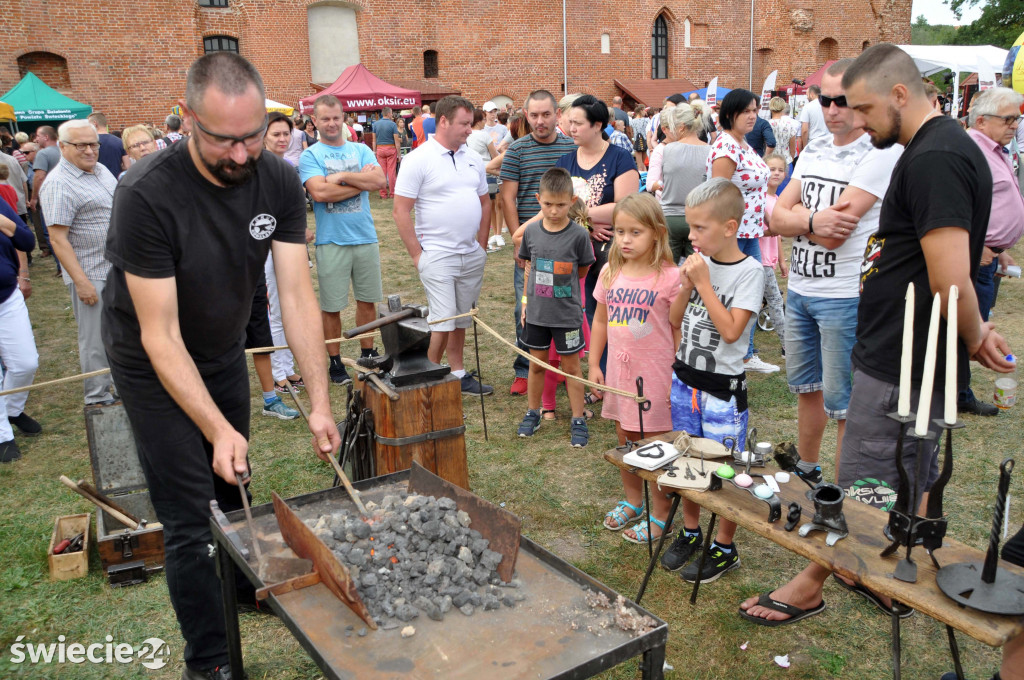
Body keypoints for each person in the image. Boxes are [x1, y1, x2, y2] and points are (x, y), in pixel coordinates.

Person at [740, 42, 1014, 627]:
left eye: (863, 109)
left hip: (903, 357)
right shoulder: (931, 149)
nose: (857, 122)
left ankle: (815, 581)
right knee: (899, 471)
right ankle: (882, 574)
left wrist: (973, 333)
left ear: (899, 93)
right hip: (904, 349)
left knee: (866, 475)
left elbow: (947, 275)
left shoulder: (935, 155)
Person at [102, 52, 340, 680]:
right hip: (153, 360)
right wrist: (212, 426)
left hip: (222, 347)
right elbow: (160, 335)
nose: (241, 155)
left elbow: (295, 294)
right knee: (189, 517)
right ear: (186, 122)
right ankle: (208, 662)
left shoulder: (279, 181)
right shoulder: (145, 195)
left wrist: (318, 400)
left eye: (253, 136)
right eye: (223, 140)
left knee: (234, 486)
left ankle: (240, 587)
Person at [770, 58, 901, 483]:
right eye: (825, 100)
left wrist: (800, 219)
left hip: (845, 295)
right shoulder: (815, 147)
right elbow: (776, 218)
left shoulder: (880, 152)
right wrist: (810, 220)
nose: (831, 110)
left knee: (843, 402)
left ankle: (841, 490)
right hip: (803, 289)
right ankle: (808, 470)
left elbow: (834, 235)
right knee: (807, 390)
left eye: (842, 101)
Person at [659, 178, 764, 581]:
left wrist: (704, 283)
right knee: (686, 457)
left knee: (724, 468)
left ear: (730, 227)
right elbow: (674, 321)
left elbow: (733, 331)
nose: (693, 236)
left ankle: (723, 546)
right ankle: (689, 532)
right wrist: (686, 287)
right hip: (685, 380)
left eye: (700, 228)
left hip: (722, 390)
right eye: (691, 227)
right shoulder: (697, 266)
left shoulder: (749, 272)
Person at [591, 192, 680, 542]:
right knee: (626, 437)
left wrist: (679, 376)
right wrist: (593, 365)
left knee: (653, 442)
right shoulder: (611, 272)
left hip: (656, 377)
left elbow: (674, 330)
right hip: (619, 373)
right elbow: (601, 321)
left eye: (635, 232)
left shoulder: (670, 278)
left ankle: (661, 514)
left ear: (657, 232)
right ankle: (633, 501)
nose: (625, 240)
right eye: (619, 231)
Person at [393, 95, 493, 396]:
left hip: (470, 254)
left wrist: (482, 246)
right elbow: (400, 211)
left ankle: (458, 371)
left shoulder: (473, 158)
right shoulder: (417, 160)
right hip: (437, 255)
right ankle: (428, 377)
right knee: (443, 320)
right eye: (464, 124)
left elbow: (485, 203)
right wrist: (417, 255)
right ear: (444, 121)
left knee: (461, 316)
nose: (469, 130)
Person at [556, 95, 640, 403]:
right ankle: (594, 378)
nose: (571, 128)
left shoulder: (619, 157)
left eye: (578, 123)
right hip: (573, 250)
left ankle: (617, 379)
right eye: (570, 122)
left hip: (611, 251)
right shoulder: (565, 161)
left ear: (598, 125)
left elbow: (627, 207)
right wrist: (587, 223)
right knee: (582, 316)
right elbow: (555, 206)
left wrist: (581, 214)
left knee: (612, 316)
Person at [300, 94, 387, 384]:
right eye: (325, 118)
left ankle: (368, 355)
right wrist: (358, 184)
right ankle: (335, 363)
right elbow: (320, 194)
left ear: (344, 118)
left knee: (367, 301)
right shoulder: (310, 156)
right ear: (315, 121)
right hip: (331, 241)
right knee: (331, 306)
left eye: (336, 117)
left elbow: (379, 182)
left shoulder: (361, 149)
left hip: (364, 237)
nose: (332, 123)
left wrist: (341, 178)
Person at [498, 90, 577, 396]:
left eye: (546, 115)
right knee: (527, 305)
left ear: (557, 115)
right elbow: (507, 198)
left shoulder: (571, 147)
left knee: (565, 304)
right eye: (534, 115)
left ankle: (562, 365)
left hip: (566, 240)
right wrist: (520, 241)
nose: (540, 121)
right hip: (532, 243)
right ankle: (525, 366)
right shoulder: (517, 150)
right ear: (525, 116)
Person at [515, 168, 595, 446]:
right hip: (537, 315)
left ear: (572, 202)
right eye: (548, 204)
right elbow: (528, 268)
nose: (553, 210)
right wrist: (526, 304)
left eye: (561, 205)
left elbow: (583, 270)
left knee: (572, 368)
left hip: (567, 316)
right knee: (537, 365)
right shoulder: (531, 232)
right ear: (539, 199)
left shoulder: (579, 236)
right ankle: (533, 411)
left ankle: (577, 418)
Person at [40, 119, 118, 405]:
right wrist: (82, 282)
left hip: (116, 268)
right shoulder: (59, 183)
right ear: (61, 146)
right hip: (91, 272)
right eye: (81, 145)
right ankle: (97, 396)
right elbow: (57, 239)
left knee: (120, 334)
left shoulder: (101, 171)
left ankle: (122, 387)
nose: (89, 150)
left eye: (93, 143)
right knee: (95, 339)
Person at [958, 87, 1024, 416]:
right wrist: (979, 244)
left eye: (1017, 118)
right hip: (975, 256)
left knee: (978, 321)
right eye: (1008, 118)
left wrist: (1000, 249)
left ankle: (957, 389)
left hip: (988, 255)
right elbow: (958, 204)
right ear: (982, 120)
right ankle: (958, 393)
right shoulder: (972, 150)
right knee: (969, 326)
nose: (1015, 124)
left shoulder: (994, 147)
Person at [707, 88, 777, 374]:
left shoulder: (743, 143)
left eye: (755, 110)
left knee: (748, 294)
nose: (752, 116)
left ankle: (744, 353)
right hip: (733, 233)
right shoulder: (726, 146)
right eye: (746, 111)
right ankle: (737, 353)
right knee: (736, 294)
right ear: (729, 114)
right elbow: (717, 193)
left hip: (750, 231)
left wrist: (766, 220)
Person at [260, 112, 307, 400]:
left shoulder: (287, 166)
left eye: (286, 134)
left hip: (288, 248)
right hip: (265, 251)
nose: (282, 139)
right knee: (275, 312)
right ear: (263, 136)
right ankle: (278, 372)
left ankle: (287, 366)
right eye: (276, 134)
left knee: (291, 309)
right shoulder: (256, 168)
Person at [0, 198, 38, 463]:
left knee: (26, 363)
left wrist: (7, 225)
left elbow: (27, 242)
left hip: (7, 297)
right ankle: (3, 436)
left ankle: (12, 409)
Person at [658, 105, 711, 264]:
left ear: (681, 127)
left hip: (670, 215)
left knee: (667, 269)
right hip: (699, 217)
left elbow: (664, 178)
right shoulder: (711, 150)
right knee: (696, 269)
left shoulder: (669, 149)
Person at [759, 153, 789, 352]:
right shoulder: (760, 199)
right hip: (759, 259)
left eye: (780, 169)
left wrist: (782, 260)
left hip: (769, 260)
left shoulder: (777, 199)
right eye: (771, 169)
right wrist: (779, 228)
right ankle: (788, 347)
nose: (776, 173)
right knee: (776, 302)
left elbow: (776, 235)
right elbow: (761, 230)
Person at [466, 109, 502, 249]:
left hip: (471, 173)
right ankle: (486, 241)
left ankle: (477, 240)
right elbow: (495, 155)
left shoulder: (466, 135)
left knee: (476, 209)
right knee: (488, 207)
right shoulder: (484, 135)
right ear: (479, 121)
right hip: (487, 173)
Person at [767, 97, 798, 189]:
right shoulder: (790, 125)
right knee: (785, 191)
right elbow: (792, 147)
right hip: (786, 161)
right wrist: (791, 158)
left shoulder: (766, 124)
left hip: (770, 162)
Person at [88, 112, 129, 177]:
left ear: (95, 124)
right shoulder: (120, 141)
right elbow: (127, 166)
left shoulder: (89, 143)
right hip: (116, 181)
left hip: (96, 180)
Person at [372, 107, 401, 199]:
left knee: (382, 172)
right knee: (392, 172)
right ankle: (392, 193)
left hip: (380, 149)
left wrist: (374, 151)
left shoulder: (375, 124)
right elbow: (397, 141)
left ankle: (383, 194)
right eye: (391, 113)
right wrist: (399, 154)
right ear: (388, 113)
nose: (392, 115)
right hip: (391, 148)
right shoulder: (393, 125)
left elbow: (374, 140)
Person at [799, 84, 829, 150]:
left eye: (807, 95)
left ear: (812, 94)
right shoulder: (828, 105)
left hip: (813, 143)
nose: (806, 97)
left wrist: (804, 147)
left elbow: (804, 130)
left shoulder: (807, 107)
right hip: (828, 142)